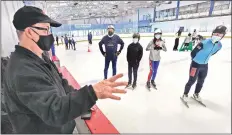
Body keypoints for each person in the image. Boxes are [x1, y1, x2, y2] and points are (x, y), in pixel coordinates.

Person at [4, 6, 127, 134]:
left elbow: (61, 83)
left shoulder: (39, 57)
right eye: (46, 29)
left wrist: (83, 100)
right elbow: (55, 111)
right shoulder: (23, 71)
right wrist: (92, 93)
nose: (49, 35)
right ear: (29, 32)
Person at [181, 25, 227, 102]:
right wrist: (196, 60)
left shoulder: (219, 45)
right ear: (212, 33)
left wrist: (204, 60)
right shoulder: (204, 43)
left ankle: (196, 94)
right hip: (195, 64)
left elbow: (213, 53)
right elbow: (193, 53)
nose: (216, 36)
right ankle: (185, 94)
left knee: (201, 81)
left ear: (222, 36)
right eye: (215, 34)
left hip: (205, 65)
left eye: (219, 34)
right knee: (192, 80)